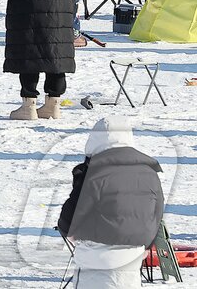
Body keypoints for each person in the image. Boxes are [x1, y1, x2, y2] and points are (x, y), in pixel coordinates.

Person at [58, 117, 165, 289]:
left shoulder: (94, 172)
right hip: (134, 256)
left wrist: (71, 234)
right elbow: (157, 216)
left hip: (96, 255)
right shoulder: (150, 172)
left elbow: (69, 219)